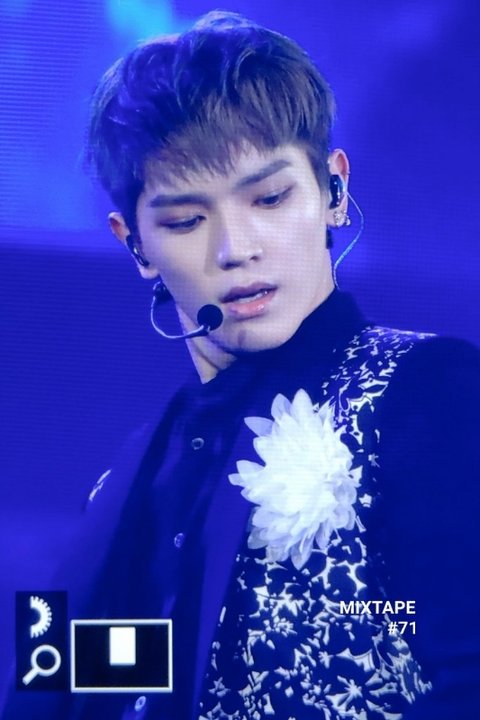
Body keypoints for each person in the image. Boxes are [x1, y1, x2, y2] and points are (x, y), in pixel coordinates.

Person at [2, 9, 480, 720]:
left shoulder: (428, 391)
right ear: (135, 245)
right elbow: (73, 688)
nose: (236, 248)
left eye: (270, 198)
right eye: (185, 221)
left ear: (334, 190)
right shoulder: (134, 474)